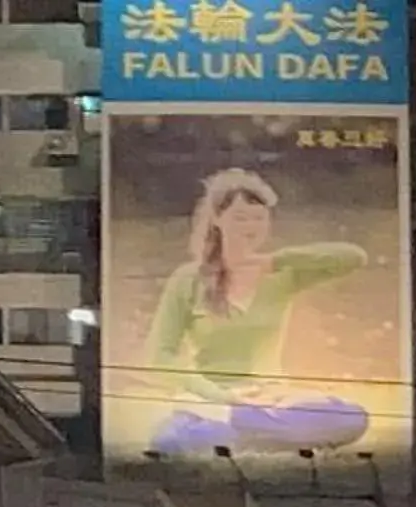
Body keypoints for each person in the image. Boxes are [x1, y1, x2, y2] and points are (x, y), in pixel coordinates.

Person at [143, 168, 373, 457]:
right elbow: (161, 354)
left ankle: (256, 434)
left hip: (273, 398)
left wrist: (277, 260)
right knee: (169, 441)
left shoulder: (281, 274)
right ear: (217, 220)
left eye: (258, 218)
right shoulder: (187, 280)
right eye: (240, 218)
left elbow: (353, 257)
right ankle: (264, 435)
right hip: (213, 399)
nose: (250, 227)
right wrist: (223, 396)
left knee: (353, 418)